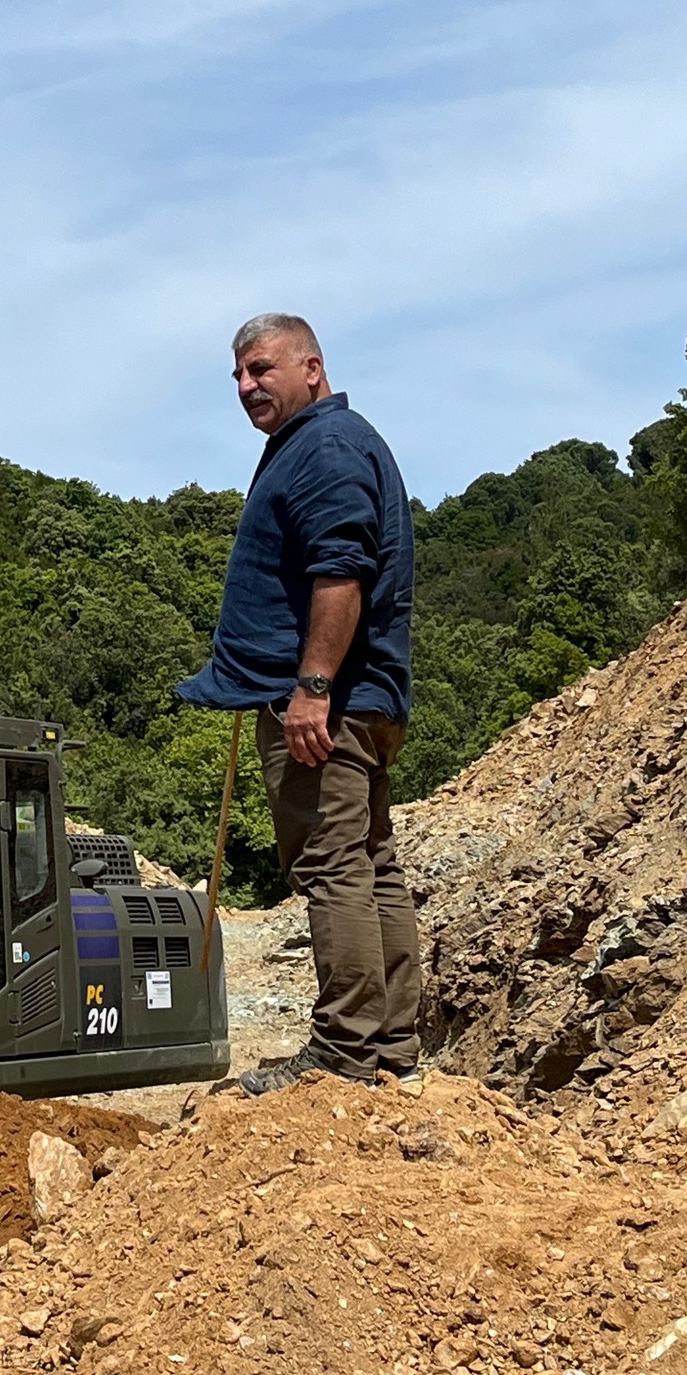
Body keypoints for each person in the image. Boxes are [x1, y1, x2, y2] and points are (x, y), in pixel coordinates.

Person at [178, 314, 419, 1094]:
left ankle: (344, 1052)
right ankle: (391, 1048)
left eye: (262, 369)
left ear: (311, 368)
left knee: (333, 865)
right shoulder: (326, 443)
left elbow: (340, 571)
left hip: (329, 705)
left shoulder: (323, 447)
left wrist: (312, 688)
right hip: (364, 699)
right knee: (369, 862)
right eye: (238, 376)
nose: (247, 386)